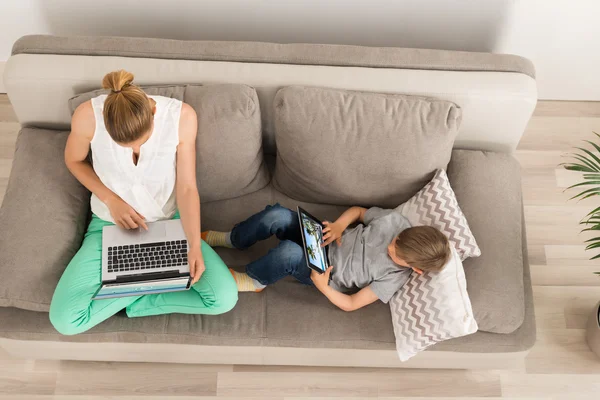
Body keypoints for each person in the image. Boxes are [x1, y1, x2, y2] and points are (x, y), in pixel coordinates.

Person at [49, 70, 238, 335]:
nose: (131, 150)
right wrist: (111, 200)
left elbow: (186, 187)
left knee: (224, 298)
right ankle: (153, 285)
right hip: (109, 225)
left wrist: (194, 244)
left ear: (152, 114)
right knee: (65, 321)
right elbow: (74, 160)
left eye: (141, 142)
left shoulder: (182, 117)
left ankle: (139, 301)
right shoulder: (87, 116)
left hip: (167, 223)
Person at [202, 204, 451, 311]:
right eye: (396, 241)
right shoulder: (396, 222)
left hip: (322, 270)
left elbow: (352, 304)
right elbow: (360, 211)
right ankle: (232, 240)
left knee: (289, 252)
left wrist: (323, 287)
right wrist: (341, 225)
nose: (390, 248)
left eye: (397, 255)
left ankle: (256, 280)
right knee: (276, 215)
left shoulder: (395, 276)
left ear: (414, 269)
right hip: (322, 237)